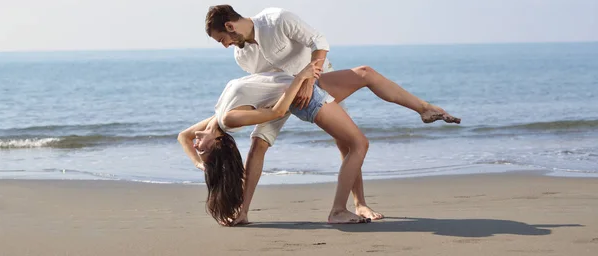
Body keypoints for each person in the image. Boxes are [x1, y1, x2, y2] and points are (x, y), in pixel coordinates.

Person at [201, 5, 460, 225]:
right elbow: (263, 86)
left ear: (230, 26)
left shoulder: (276, 20)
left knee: (347, 142)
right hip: (283, 96)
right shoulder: (242, 56)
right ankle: (244, 211)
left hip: (317, 80)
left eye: (222, 39)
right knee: (258, 146)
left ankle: (359, 204)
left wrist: (308, 80)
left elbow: (319, 42)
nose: (226, 46)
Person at [178, 63, 461, 226]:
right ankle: (339, 210)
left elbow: (182, 137)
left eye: (199, 142)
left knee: (365, 73)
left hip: (301, 84)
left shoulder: (215, 117)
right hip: (303, 93)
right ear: (219, 142)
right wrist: (302, 78)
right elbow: (276, 112)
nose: (197, 139)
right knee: (357, 144)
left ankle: (424, 107)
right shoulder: (228, 119)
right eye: (203, 145)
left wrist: (199, 162)